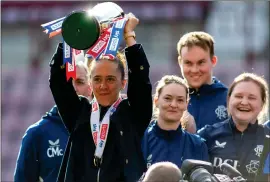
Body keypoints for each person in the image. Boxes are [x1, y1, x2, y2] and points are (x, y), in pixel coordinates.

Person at [49, 13, 152, 182]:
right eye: (97, 79)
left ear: (123, 81)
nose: (103, 86)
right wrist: (72, 35)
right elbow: (58, 81)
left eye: (110, 79)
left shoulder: (133, 114)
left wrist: (129, 36)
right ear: (89, 82)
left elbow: (141, 82)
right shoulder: (79, 113)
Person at [14, 62, 92, 182]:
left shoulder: (105, 126)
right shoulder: (37, 133)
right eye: (67, 82)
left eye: (80, 82)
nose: (73, 89)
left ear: (90, 87)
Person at [197, 73, 269, 182]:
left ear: (262, 103)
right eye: (239, 96)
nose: (244, 102)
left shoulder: (267, 138)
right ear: (229, 99)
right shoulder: (206, 135)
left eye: (252, 98)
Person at [142, 75, 209, 169]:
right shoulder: (140, 141)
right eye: (167, 98)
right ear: (156, 101)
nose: (173, 105)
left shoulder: (197, 145)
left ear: (186, 104)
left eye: (180, 100)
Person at [177, 31, 228, 130]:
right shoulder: (169, 101)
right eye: (188, 63)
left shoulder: (229, 100)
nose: (195, 70)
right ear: (180, 62)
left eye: (201, 62)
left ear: (213, 61)